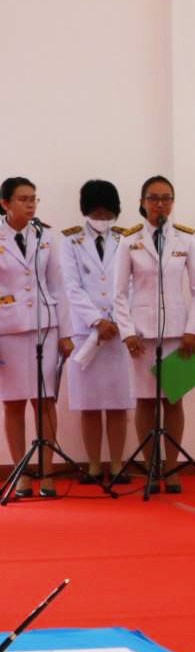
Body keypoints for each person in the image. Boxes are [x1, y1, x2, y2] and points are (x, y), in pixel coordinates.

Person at [113, 176, 195, 493]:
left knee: (173, 400)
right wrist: (127, 332)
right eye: (153, 198)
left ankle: (171, 468)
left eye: (166, 198)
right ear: (142, 203)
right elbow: (119, 293)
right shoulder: (129, 240)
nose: (160, 204)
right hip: (141, 335)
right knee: (145, 402)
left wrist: (193, 329)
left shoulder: (185, 239)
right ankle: (151, 466)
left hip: (178, 333)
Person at [58, 180, 133, 484]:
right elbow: (71, 286)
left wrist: (115, 319)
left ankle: (115, 464)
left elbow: (130, 283)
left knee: (118, 403)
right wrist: (96, 321)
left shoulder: (126, 239)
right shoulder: (70, 241)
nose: (102, 218)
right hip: (85, 332)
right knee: (88, 404)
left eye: (108, 213)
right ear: (86, 210)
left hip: (118, 331)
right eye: (97, 212)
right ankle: (91, 465)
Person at [1, 177, 68, 497]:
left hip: (45, 327)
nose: (30, 205)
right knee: (13, 403)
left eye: (34, 199)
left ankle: (47, 471)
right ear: (5, 203)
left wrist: (66, 332)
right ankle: (22, 473)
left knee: (45, 401)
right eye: (23, 199)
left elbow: (58, 285)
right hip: (8, 330)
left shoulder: (45, 236)